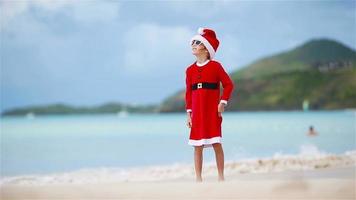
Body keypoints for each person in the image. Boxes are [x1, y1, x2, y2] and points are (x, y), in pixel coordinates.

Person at [185, 27, 234, 182]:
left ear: (206, 49)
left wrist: (222, 102)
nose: (193, 44)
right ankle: (198, 179)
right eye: (193, 42)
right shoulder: (189, 70)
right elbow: (188, 93)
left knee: (216, 143)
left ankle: (221, 177)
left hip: (212, 112)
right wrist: (189, 114)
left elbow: (229, 85)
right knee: (197, 147)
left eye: (198, 42)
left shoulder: (216, 66)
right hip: (197, 114)